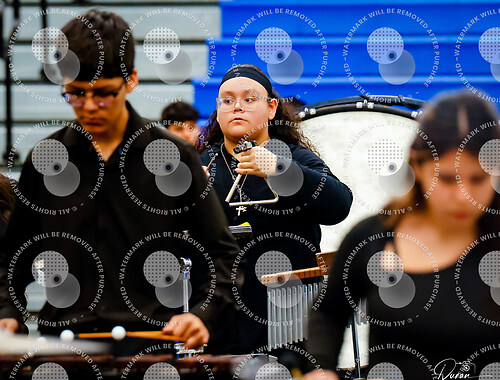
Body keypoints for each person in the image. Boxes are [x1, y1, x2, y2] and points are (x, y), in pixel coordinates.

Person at [0, 9, 240, 353]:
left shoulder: (174, 158)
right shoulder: (46, 160)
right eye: (75, 93)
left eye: (103, 93)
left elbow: (222, 253)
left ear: (131, 80)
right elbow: (11, 258)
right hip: (64, 350)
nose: (89, 107)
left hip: (150, 349)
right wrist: (7, 312)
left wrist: (203, 314)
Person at [301, 92, 500, 380]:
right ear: (418, 166)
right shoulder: (373, 238)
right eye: (448, 180)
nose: (463, 196)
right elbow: (328, 312)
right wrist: (321, 367)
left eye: (478, 179)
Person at [198, 64, 353, 353]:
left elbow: (339, 205)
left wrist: (280, 170)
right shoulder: (199, 165)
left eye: (249, 99)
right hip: (219, 319)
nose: (237, 107)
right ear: (218, 110)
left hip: (287, 319)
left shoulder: (295, 158)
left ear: (271, 108)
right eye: (227, 100)